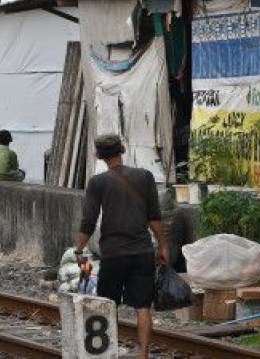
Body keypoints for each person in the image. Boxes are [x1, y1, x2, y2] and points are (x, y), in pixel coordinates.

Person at [74, 135, 167, 359]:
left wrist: (78, 250)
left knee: (108, 305)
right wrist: (163, 245)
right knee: (143, 306)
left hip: (114, 253)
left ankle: (108, 352)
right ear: (122, 150)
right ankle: (142, 353)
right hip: (143, 251)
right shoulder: (145, 177)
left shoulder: (97, 183)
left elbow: (88, 221)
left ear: (98, 156)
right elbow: (154, 216)